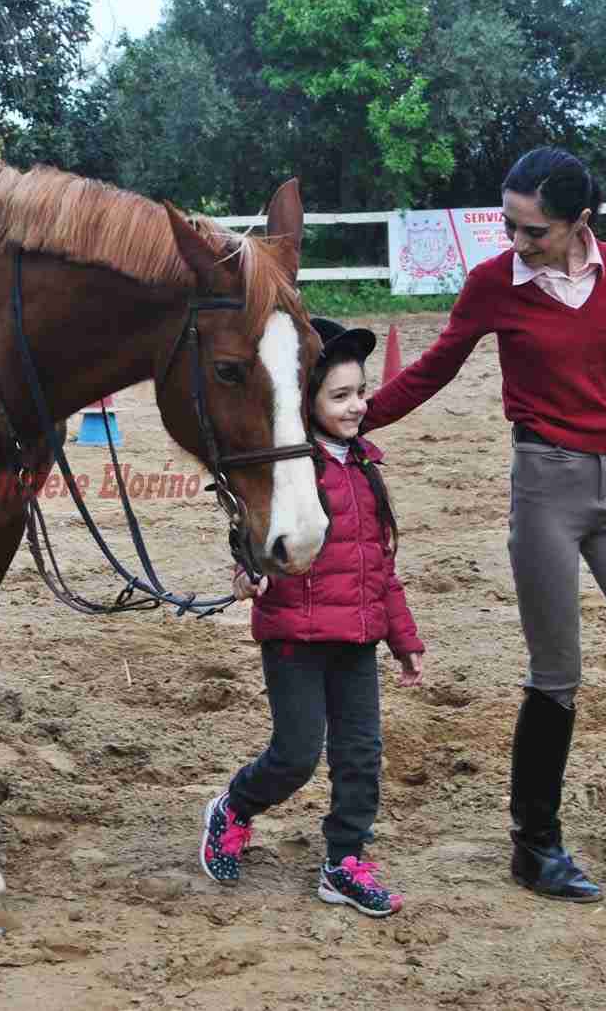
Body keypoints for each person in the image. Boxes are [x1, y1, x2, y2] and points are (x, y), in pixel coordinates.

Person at [360, 147, 606, 902]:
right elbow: (434, 366)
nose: (516, 242)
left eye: (532, 231)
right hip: (544, 490)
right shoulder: (493, 284)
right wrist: (351, 421)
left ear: (577, 223)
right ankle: (536, 847)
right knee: (556, 672)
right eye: (509, 226)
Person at [198, 318, 425, 918]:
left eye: (361, 393)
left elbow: (381, 565)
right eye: (341, 396)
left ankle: (344, 862)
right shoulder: (288, 475)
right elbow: (253, 547)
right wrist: (249, 575)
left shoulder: (365, 470)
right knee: (296, 755)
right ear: (306, 404)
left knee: (361, 754)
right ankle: (234, 808)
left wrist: (402, 638)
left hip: (357, 641)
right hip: (295, 638)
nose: (358, 407)